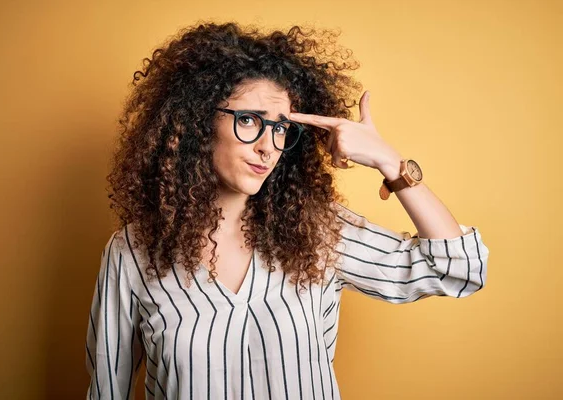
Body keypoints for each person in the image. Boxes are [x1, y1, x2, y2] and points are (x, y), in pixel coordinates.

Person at [85, 21, 489, 400]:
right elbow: (106, 390)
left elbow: (459, 270)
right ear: (196, 123)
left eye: (280, 128)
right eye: (249, 121)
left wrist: (390, 163)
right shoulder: (132, 253)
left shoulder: (320, 232)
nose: (268, 146)